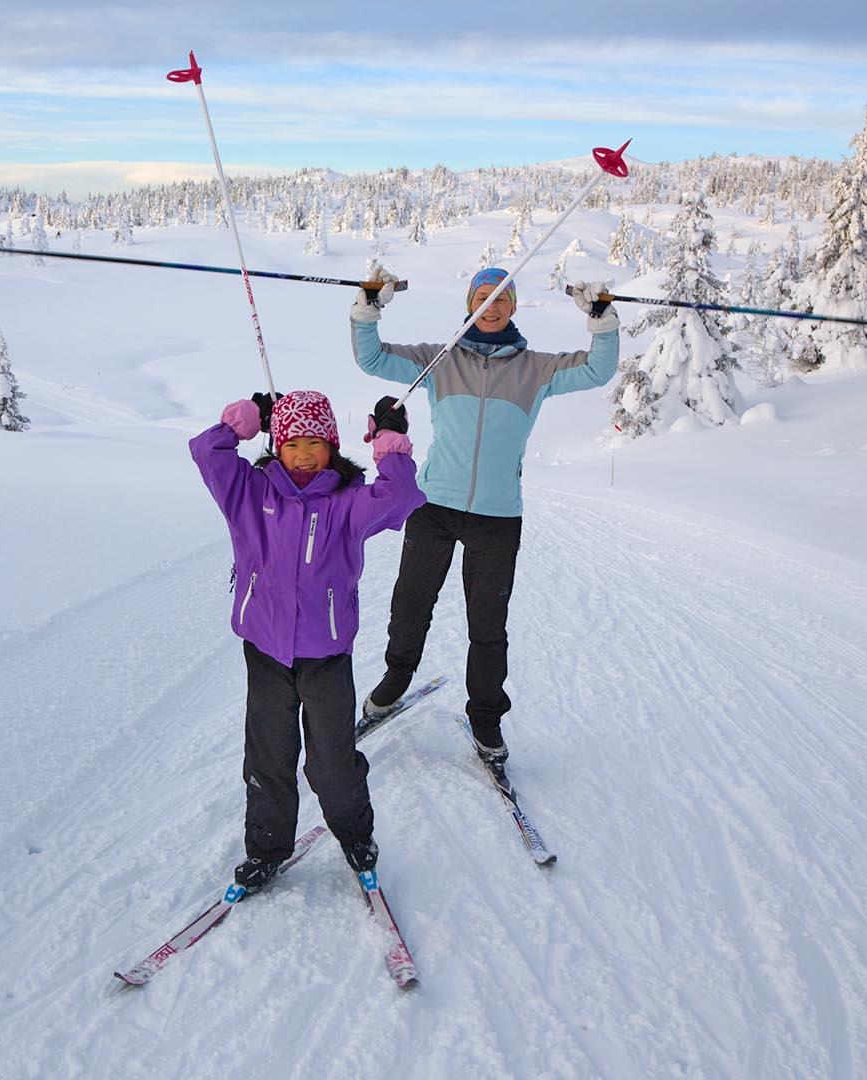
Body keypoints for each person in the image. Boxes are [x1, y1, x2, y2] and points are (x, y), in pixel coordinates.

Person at [349, 267, 620, 770]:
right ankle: (394, 682)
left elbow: (596, 371)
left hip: (496, 517)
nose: (490, 307)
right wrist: (369, 308)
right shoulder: (439, 360)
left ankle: (486, 719)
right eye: (481, 297)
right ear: (468, 303)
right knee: (410, 604)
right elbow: (371, 358)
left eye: (500, 299)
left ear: (513, 307)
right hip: (433, 506)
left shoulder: (537, 369)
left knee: (488, 624)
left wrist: (601, 321)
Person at [189, 390, 425, 891]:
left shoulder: (347, 503)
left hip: (326, 657)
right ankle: (267, 850)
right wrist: (241, 423)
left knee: (331, 761)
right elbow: (207, 453)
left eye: (315, 442)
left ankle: (357, 838)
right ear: (277, 443)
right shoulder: (250, 494)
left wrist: (389, 443)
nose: (302, 452)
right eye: (292, 441)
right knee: (268, 758)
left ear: (332, 447)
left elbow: (402, 498)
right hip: (266, 652)